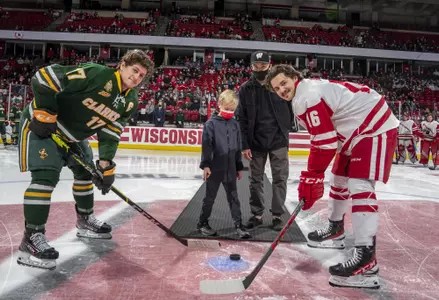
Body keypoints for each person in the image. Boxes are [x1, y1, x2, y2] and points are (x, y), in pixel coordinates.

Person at [17, 49, 154, 270]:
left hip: (74, 136)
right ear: (122, 64)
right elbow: (44, 77)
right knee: (45, 177)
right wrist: (45, 110)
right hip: (44, 126)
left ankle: (85, 220)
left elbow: (111, 131)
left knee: (86, 174)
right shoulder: (98, 75)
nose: (136, 77)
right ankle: (31, 237)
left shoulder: (130, 101)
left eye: (141, 76)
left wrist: (105, 162)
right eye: (134, 70)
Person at [266, 64, 399, 289]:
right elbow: (325, 138)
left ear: (293, 77)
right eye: (277, 88)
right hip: (355, 130)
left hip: (373, 126)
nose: (282, 90)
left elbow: (325, 142)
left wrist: (312, 176)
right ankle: (335, 229)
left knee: (360, 186)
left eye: (283, 83)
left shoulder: (306, 96)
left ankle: (367, 260)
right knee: (338, 177)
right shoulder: (304, 93)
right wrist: (313, 176)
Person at [237, 51, 292, 231]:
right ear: (251, 67)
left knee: (280, 178)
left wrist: (286, 132)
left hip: (278, 140)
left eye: (263, 66)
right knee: (255, 180)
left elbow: (292, 107)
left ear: (270, 65)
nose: (259, 69)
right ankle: (257, 214)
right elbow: (242, 119)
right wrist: (244, 144)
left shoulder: (279, 86)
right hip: (255, 143)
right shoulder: (245, 89)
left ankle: (277, 215)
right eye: (256, 66)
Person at [198, 90, 251, 239]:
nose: (229, 112)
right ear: (219, 105)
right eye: (226, 108)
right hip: (215, 168)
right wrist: (206, 165)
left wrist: (239, 167)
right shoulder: (211, 124)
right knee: (210, 197)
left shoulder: (235, 124)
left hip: (231, 168)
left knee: (234, 197)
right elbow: (207, 146)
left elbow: (237, 146)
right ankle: (202, 223)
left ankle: (239, 225)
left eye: (232, 110)